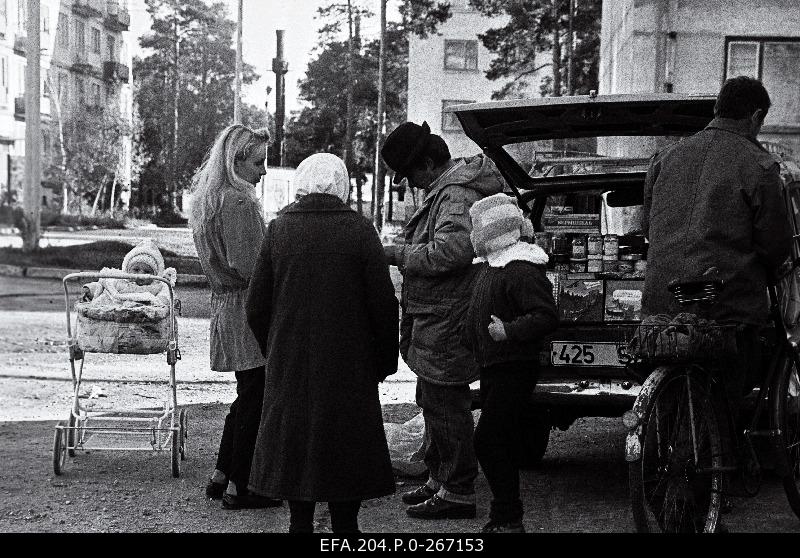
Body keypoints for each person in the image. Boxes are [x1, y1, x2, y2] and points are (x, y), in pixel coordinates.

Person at [642, 76, 793, 498]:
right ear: (756, 116)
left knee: (677, 397)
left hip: (662, 305)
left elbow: (646, 226)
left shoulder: (666, 158)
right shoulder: (760, 166)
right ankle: (714, 487)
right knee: (726, 390)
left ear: (716, 110)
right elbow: (775, 245)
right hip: (725, 306)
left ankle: (666, 474)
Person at [245, 153, 399, 534]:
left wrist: (277, 347)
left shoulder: (278, 230)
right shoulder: (361, 231)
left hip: (291, 360)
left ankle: (301, 524)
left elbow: (255, 305)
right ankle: (346, 528)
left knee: (294, 440)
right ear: (341, 184)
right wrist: (382, 361)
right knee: (345, 440)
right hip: (350, 362)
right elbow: (383, 304)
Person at [381, 121, 505, 520]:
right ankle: (440, 477)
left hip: (447, 316)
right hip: (439, 314)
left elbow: (451, 251)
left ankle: (457, 489)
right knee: (433, 399)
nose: (411, 184)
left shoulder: (453, 195)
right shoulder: (447, 191)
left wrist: (398, 254)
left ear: (430, 164)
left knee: (447, 403)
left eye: (411, 175)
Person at [189, 124, 281, 510]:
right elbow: (250, 266)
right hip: (249, 309)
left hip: (228, 306)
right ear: (236, 161)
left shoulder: (210, 199)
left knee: (247, 395)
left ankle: (223, 473)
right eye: (259, 163)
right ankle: (242, 486)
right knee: (256, 398)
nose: (264, 172)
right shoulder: (240, 202)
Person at [461, 193, 558, 533]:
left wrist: (509, 332)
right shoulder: (496, 266)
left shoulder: (519, 268)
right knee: (498, 439)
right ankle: (506, 516)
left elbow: (545, 315)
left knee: (488, 440)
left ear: (489, 232)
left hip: (513, 366)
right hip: (495, 366)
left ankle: (507, 517)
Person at [80, 239, 176, 310]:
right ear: (127, 270)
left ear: (155, 275)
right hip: (114, 310)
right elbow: (104, 285)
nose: (141, 274)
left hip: (143, 313)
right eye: (136, 269)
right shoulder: (120, 279)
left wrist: (160, 303)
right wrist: (90, 288)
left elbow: (166, 296)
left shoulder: (157, 285)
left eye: (147, 272)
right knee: (104, 298)